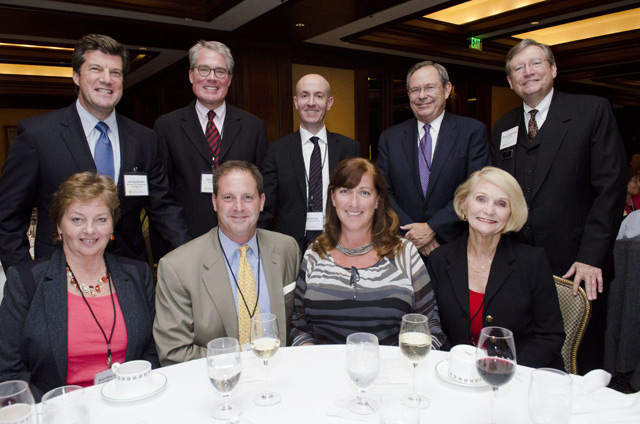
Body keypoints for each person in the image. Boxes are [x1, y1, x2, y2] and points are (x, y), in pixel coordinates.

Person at [0, 34, 189, 271]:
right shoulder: (38, 135)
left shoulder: (145, 139)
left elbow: (163, 208)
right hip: (58, 273)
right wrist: (26, 278)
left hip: (128, 273)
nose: (106, 79)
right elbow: (8, 218)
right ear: (76, 76)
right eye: (96, 69)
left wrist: (189, 259)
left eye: (115, 72)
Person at [0, 172, 159, 401]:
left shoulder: (137, 275)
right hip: (57, 410)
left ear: (112, 225)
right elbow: (9, 371)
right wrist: (55, 408)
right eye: (77, 220)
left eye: (101, 219)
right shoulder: (26, 282)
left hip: (130, 402)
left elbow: (152, 351)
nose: (90, 230)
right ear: (59, 225)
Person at [491, 38, 627, 301]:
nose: (528, 72)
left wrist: (591, 256)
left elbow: (611, 189)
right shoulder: (503, 126)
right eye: (518, 68)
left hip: (577, 264)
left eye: (535, 63)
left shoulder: (591, 111)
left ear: (553, 69)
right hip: (516, 262)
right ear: (510, 81)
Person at [153, 161, 300, 366]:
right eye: (228, 197)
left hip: (278, 373)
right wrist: (237, 363)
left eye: (247, 197)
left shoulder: (287, 249)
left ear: (261, 202)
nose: (238, 207)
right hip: (219, 380)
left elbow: (298, 323)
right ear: (214, 202)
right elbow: (174, 352)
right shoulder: (177, 267)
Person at [290, 157, 446, 347]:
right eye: (345, 191)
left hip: (394, 365)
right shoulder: (315, 252)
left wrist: (406, 362)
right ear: (333, 197)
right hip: (324, 365)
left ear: (377, 200)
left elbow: (430, 327)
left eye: (364, 192)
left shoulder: (405, 253)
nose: (354, 203)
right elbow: (299, 327)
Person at [427, 167, 564, 369]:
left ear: (511, 213)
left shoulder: (532, 262)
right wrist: (458, 366)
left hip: (521, 373)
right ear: (464, 204)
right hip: (457, 372)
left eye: (501, 203)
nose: (489, 210)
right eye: (481, 199)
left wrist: (506, 371)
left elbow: (550, 336)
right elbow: (431, 326)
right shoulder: (439, 259)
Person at [152, 40, 268, 260]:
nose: (212, 78)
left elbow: (264, 190)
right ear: (191, 75)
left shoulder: (253, 127)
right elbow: (161, 195)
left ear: (229, 79)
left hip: (242, 247)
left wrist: (248, 240)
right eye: (204, 69)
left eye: (220, 71)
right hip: (184, 247)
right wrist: (184, 245)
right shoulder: (167, 127)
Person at [377, 60, 491, 258]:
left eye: (430, 87)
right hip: (403, 247)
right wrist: (412, 234)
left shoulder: (472, 132)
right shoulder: (390, 138)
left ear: (447, 90)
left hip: (454, 246)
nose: (422, 96)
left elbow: (476, 189)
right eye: (415, 90)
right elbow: (383, 191)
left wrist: (433, 227)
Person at [260, 74, 360, 252]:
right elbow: (265, 206)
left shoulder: (349, 148)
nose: (311, 102)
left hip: (340, 246)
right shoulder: (276, 151)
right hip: (290, 249)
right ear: (296, 102)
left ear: (329, 103)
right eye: (305, 95)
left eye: (319, 96)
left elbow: (358, 200)